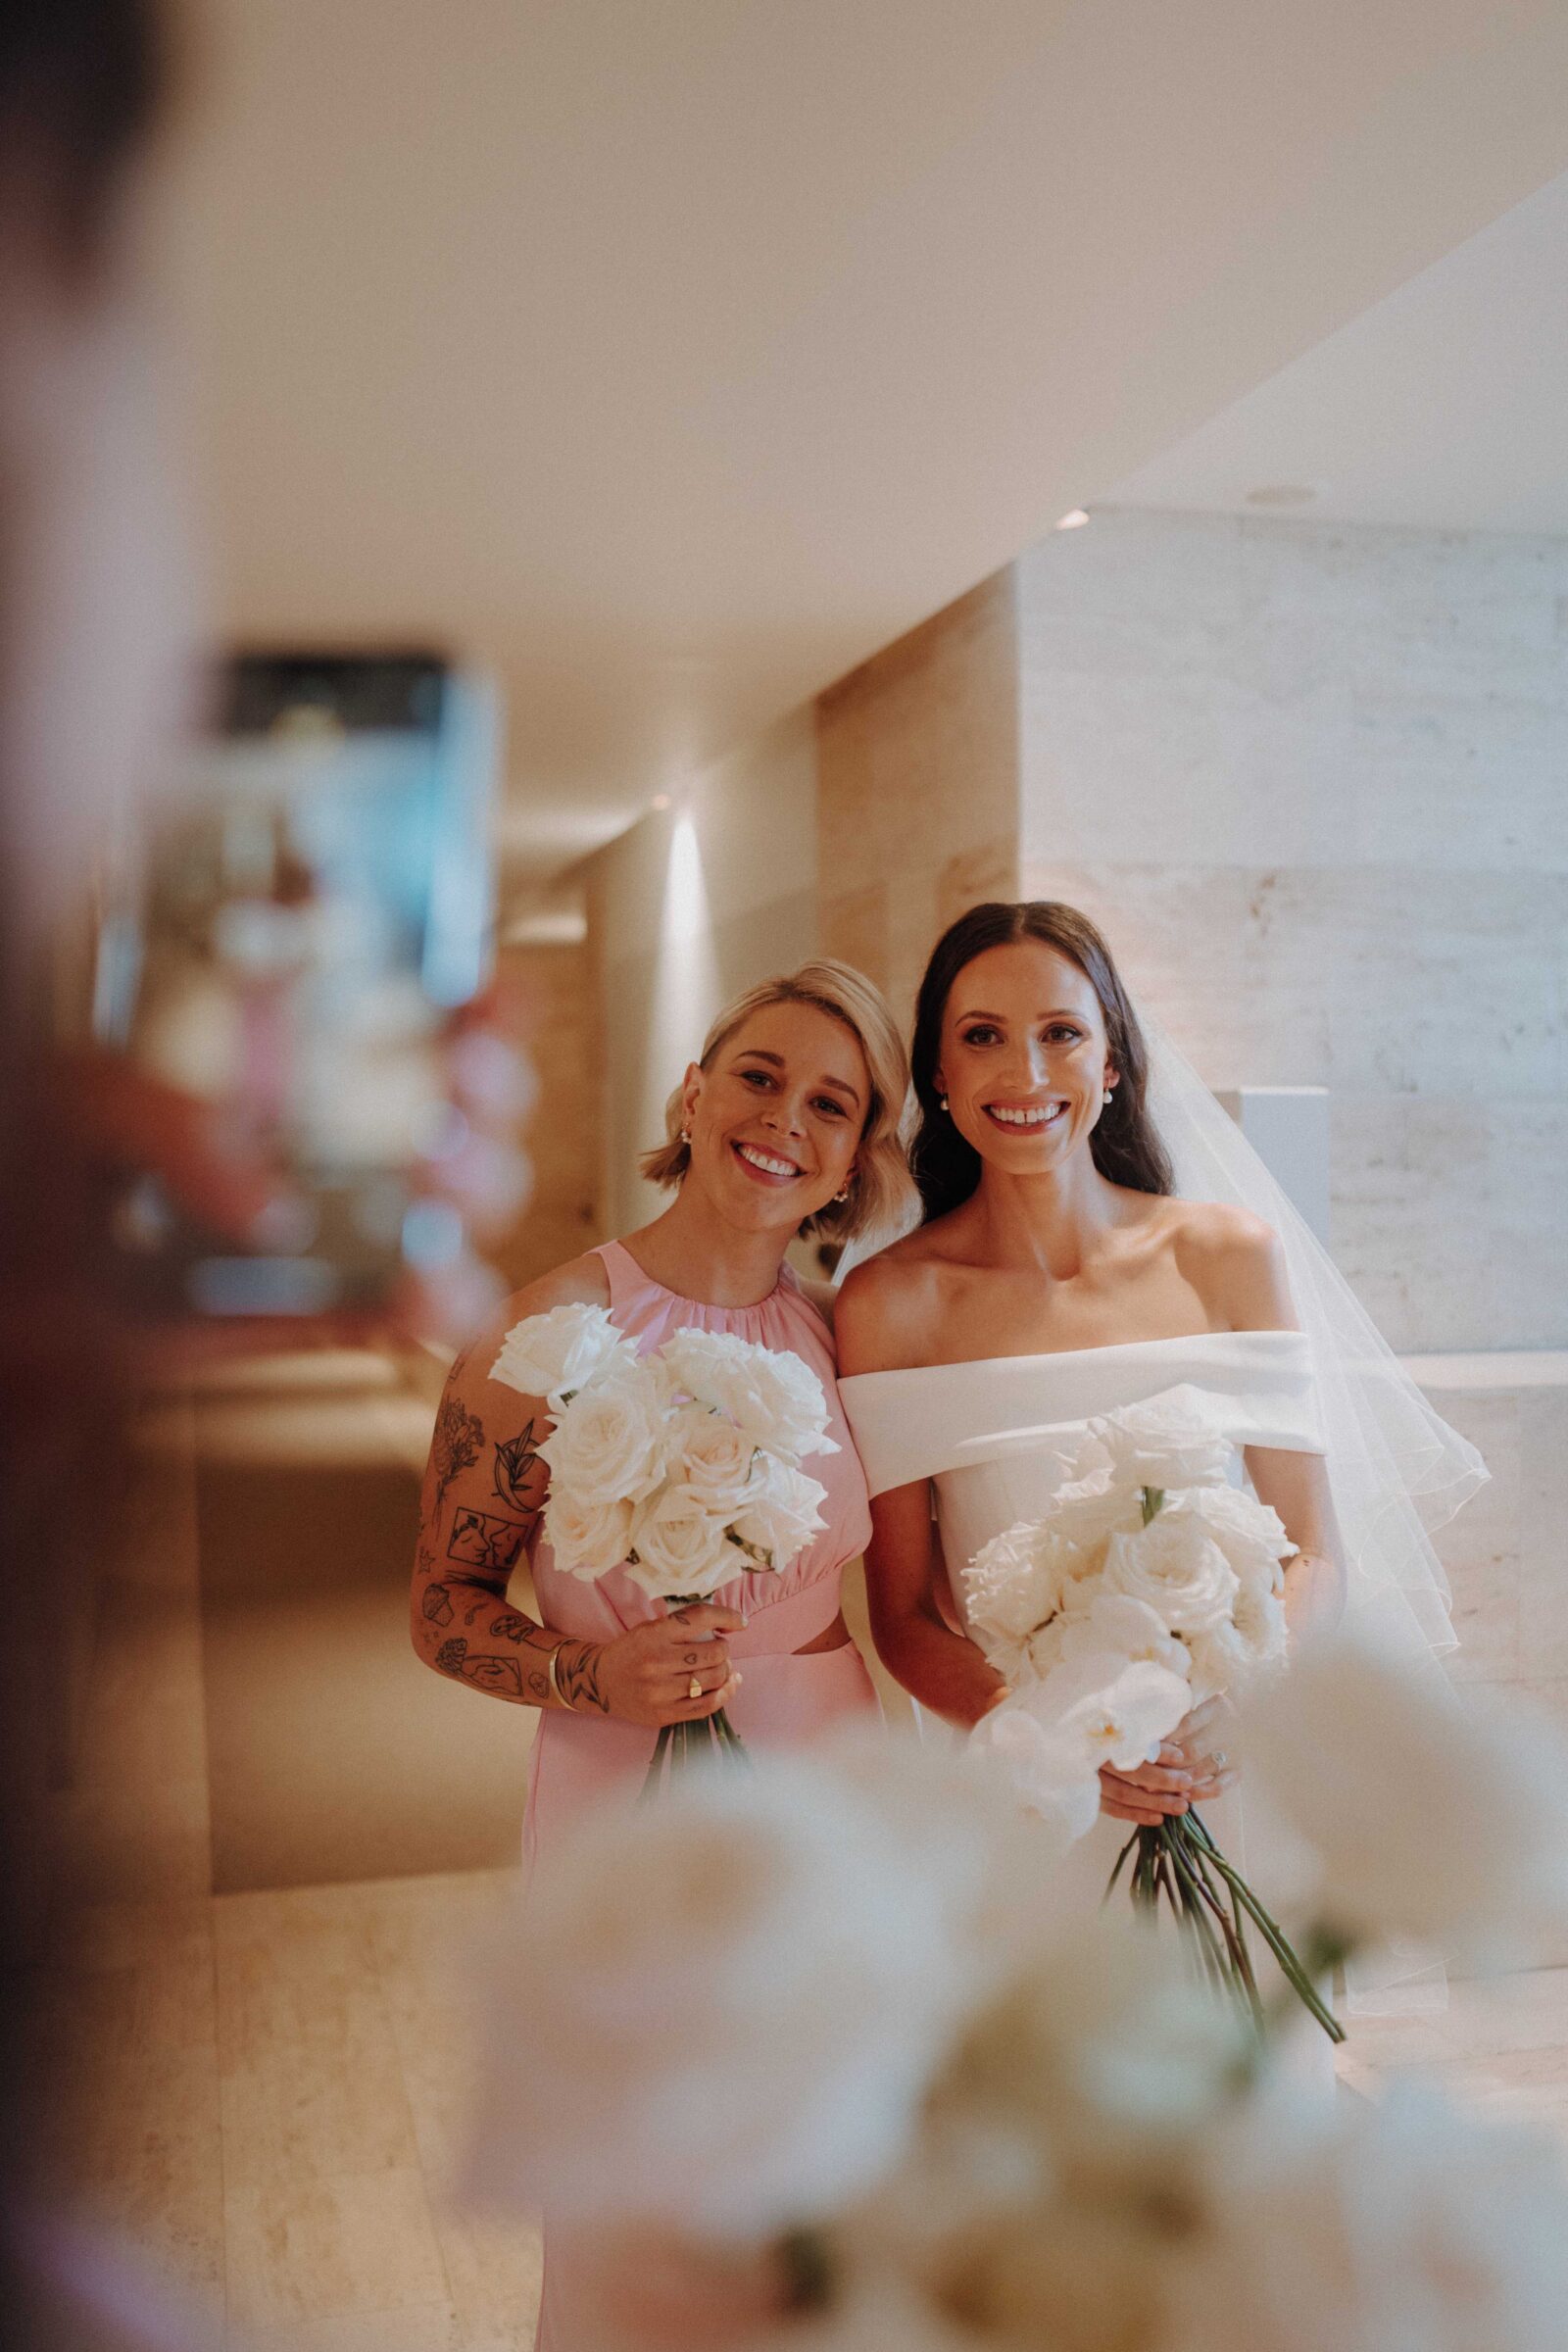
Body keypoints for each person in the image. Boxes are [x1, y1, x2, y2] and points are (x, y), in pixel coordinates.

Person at [410, 956, 913, 2350]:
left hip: (827, 1770)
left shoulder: (842, 1335)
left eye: (833, 1104)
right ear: (692, 1092)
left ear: (854, 1160)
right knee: (644, 2173)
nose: (785, 1120)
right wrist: (590, 1677)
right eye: (759, 1076)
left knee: (824, 2161)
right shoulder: (541, 1336)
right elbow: (441, 1603)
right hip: (619, 1782)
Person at [835, 900, 1481, 1963]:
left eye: (1061, 1033)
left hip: (1227, 1764)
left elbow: (1311, 1546)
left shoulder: (1225, 1257)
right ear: (937, 1077)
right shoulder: (890, 1306)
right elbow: (904, 1615)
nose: (1024, 1071)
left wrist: (1237, 1701)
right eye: (981, 1036)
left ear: (1114, 1062)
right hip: (1035, 1799)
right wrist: (1062, 1744)